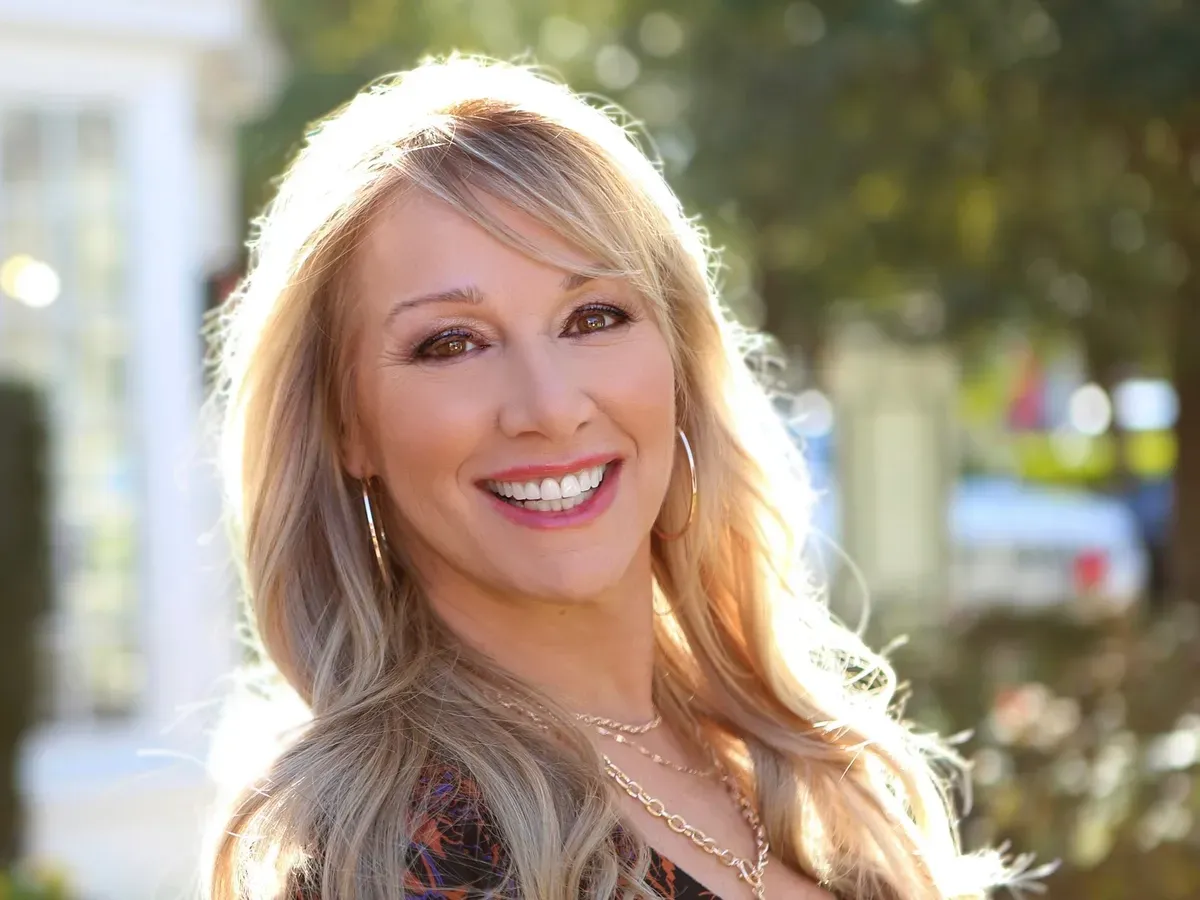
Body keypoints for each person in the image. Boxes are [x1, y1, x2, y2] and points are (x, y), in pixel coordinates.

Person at [205, 56, 1024, 900]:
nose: (551, 407)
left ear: (678, 360)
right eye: (452, 342)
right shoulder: (395, 857)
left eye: (593, 316)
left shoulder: (785, 761)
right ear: (346, 425)